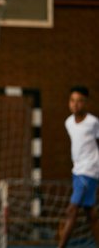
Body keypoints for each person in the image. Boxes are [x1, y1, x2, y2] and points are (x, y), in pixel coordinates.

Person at [58, 86, 99, 248]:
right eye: (72, 100)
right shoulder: (68, 123)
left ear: (86, 103)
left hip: (89, 171)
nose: (75, 104)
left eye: (79, 101)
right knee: (90, 215)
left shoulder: (93, 123)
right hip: (77, 171)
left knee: (71, 210)